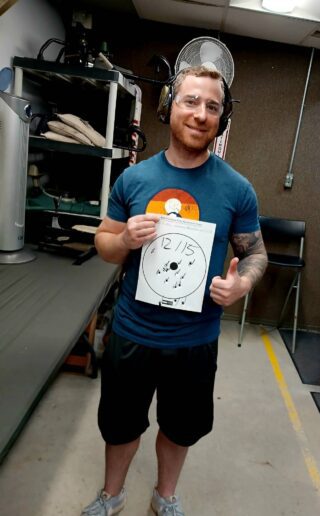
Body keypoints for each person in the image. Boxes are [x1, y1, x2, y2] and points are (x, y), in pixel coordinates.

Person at [81, 65, 268, 516]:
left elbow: (257, 253)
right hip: (133, 331)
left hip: (195, 340)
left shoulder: (237, 189)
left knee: (180, 429)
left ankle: (165, 496)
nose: (201, 114)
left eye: (213, 107)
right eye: (191, 101)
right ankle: (112, 495)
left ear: (221, 118)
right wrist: (125, 240)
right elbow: (104, 243)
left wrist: (242, 283)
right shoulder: (134, 179)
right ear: (169, 107)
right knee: (120, 426)